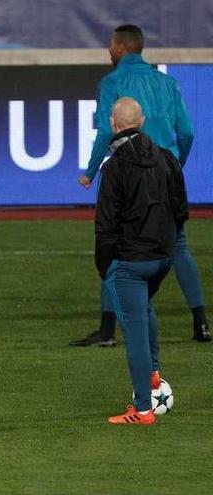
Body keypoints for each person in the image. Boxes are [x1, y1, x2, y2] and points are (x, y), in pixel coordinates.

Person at [72, 24, 210, 346]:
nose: (109, 49)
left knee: (114, 241)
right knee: (177, 244)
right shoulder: (167, 82)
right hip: (166, 169)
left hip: (129, 172)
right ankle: (201, 323)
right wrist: (175, 166)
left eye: (111, 44)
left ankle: (107, 331)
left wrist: (91, 171)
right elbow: (187, 132)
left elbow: (107, 132)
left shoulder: (112, 82)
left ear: (120, 47)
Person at [96, 98, 188, 425]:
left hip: (130, 262)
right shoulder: (166, 158)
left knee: (133, 330)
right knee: (144, 306)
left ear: (113, 123)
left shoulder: (114, 168)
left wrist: (105, 265)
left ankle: (143, 409)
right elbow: (181, 209)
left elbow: (105, 224)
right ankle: (153, 373)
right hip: (162, 258)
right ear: (143, 120)